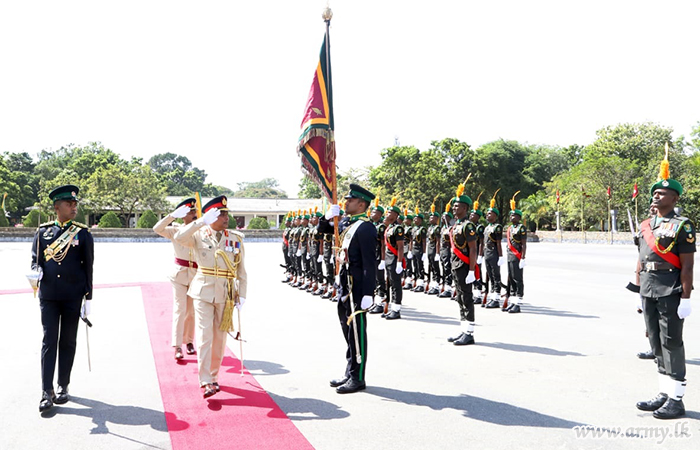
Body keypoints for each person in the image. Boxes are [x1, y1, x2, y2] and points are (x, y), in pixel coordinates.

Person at [635, 154, 695, 420]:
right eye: (655, 193)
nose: (656, 197)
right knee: (656, 343)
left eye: (663, 194)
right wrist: (638, 290)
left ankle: (677, 398)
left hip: (670, 288)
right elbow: (641, 259)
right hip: (648, 288)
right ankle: (663, 392)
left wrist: (686, 297)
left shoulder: (683, 226)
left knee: (671, 342)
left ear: (675, 199)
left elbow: (688, 266)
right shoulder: (646, 225)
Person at [174, 196, 248, 398]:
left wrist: (242, 294)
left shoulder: (234, 238)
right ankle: (205, 380)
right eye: (221, 213)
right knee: (205, 336)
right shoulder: (198, 234)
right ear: (212, 215)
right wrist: (201, 221)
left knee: (219, 338)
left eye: (225, 213)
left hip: (225, 293)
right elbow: (179, 237)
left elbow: (241, 270)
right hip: (202, 291)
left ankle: (214, 376)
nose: (226, 217)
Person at [32, 185, 94, 413]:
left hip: (72, 295)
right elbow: (35, 259)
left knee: (67, 341)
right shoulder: (43, 232)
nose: (74, 207)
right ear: (57, 207)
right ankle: (46, 390)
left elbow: (89, 267)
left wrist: (88, 298)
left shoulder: (83, 233)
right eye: (69, 204)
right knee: (49, 340)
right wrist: (35, 270)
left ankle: (62, 386)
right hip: (48, 295)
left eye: (75, 203)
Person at [319, 184, 377, 394]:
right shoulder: (346, 222)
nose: (345, 202)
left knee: (357, 333)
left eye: (350, 200)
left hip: (358, 288)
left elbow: (370, 263)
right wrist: (326, 217)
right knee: (347, 331)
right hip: (345, 284)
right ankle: (350, 371)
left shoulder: (366, 228)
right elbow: (322, 231)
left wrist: (369, 293)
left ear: (361, 204)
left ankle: (358, 377)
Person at [153, 198, 198, 360]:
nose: (194, 214)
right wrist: (171, 216)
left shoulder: (199, 228)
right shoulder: (174, 229)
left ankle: (189, 341)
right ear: (182, 215)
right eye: (190, 212)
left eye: (195, 211)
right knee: (180, 310)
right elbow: (157, 228)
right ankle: (177, 345)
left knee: (191, 312)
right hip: (179, 274)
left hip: (195, 275)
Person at [447, 184, 478, 346]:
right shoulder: (456, 225)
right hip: (456, 265)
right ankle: (463, 329)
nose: (453, 207)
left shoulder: (468, 226)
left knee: (466, 297)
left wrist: (472, 270)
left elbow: (473, 249)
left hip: (465, 266)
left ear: (465, 208)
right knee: (460, 297)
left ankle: (470, 333)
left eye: (457, 205)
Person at [381, 196, 405, 319]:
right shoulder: (389, 227)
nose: (387, 213)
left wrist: (400, 263)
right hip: (389, 261)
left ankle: (396, 309)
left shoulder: (398, 228)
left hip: (395, 260)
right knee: (389, 284)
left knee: (396, 285)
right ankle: (391, 307)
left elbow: (400, 247)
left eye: (390, 212)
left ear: (395, 216)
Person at [504, 193, 527, 313]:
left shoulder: (521, 228)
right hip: (510, 256)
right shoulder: (510, 228)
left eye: (514, 215)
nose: (511, 217)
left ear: (518, 217)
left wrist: (523, 257)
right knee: (511, 279)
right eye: (510, 215)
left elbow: (523, 244)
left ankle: (518, 302)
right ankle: (512, 301)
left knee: (518, 279)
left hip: (517, 255)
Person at [483, 191, 505, 308]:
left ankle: (496, 298)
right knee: (490, 275)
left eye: (490, 214)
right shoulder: (487, 227)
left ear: (495, 216)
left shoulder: (497, 227)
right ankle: (492, 296)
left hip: (494, 253)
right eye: (487, 214)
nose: (487, 215)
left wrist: (500, 256)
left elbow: (498, 243)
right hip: (487, 253)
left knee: (496, 276)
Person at [370, 199, 387, 304]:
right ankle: (375, 298)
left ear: (380, 214)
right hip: (372, 254)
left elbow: (383, 244)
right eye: (372, 212)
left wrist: (383, 259)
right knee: (373, 278)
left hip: (379, 255)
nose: (372, 214)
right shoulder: (371, 225)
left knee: (379, 278)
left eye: (374, 212)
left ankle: (381, 299)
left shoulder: (381, 227)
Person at [469, 194, 486, 303]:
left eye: (473, 214)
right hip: (470, 253)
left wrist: (480, 255)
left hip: (477, 253)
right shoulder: (469, 226)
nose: (471, 216)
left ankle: (478, 293)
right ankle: (472, 293)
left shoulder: (479, 227)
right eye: (470, 214)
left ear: (478, 217)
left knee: (477, 273)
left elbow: (481, 243)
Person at [438, 205, 455, 298]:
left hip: (448, 250)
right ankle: (444, 285)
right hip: (442, 250)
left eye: (445, 217)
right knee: (443, 267)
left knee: (447, 267)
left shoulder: (450, 228)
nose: (443, 218)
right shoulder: (443, 228)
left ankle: (448, 287)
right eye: (442, 216)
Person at [426, 202, 442, 295]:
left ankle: (436, 283)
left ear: (436, 219)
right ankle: (433, 282)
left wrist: (437, 253)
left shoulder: (437, 228)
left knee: (435, 267)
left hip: (434, 249)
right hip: (430, 248)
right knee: (431, 266)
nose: (430, 219)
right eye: (430, 217)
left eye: (432, 217)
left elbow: (438, 241)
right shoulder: (430, 228)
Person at [410, 208, 428, 292]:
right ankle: (417, 282)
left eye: (416, 218)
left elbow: (424, 242)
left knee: (420, 266)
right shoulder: (413, 229)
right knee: (415, 266)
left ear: (420, 220)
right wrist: (410, 250)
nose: (414, 220)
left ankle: (421, 283)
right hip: (414, 249)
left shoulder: (422, 229)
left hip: (419, 249)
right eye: (414, 218)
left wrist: (424, 252)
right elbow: (411, 240)